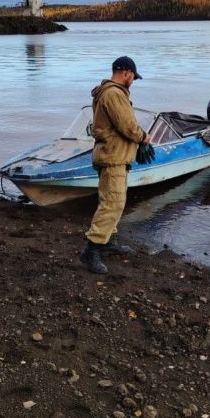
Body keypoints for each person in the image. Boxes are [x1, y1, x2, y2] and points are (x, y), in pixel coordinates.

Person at [79, 56, 152, 275]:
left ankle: (107, 241)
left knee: (112, 201)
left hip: (114, 156)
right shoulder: (113, 93)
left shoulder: (108, 92)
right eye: (133, 77)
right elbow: (127, 125)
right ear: (126, 73)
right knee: (112, 203)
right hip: (113, 158)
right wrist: (143, 138)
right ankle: (91, 251)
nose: (133, 81)